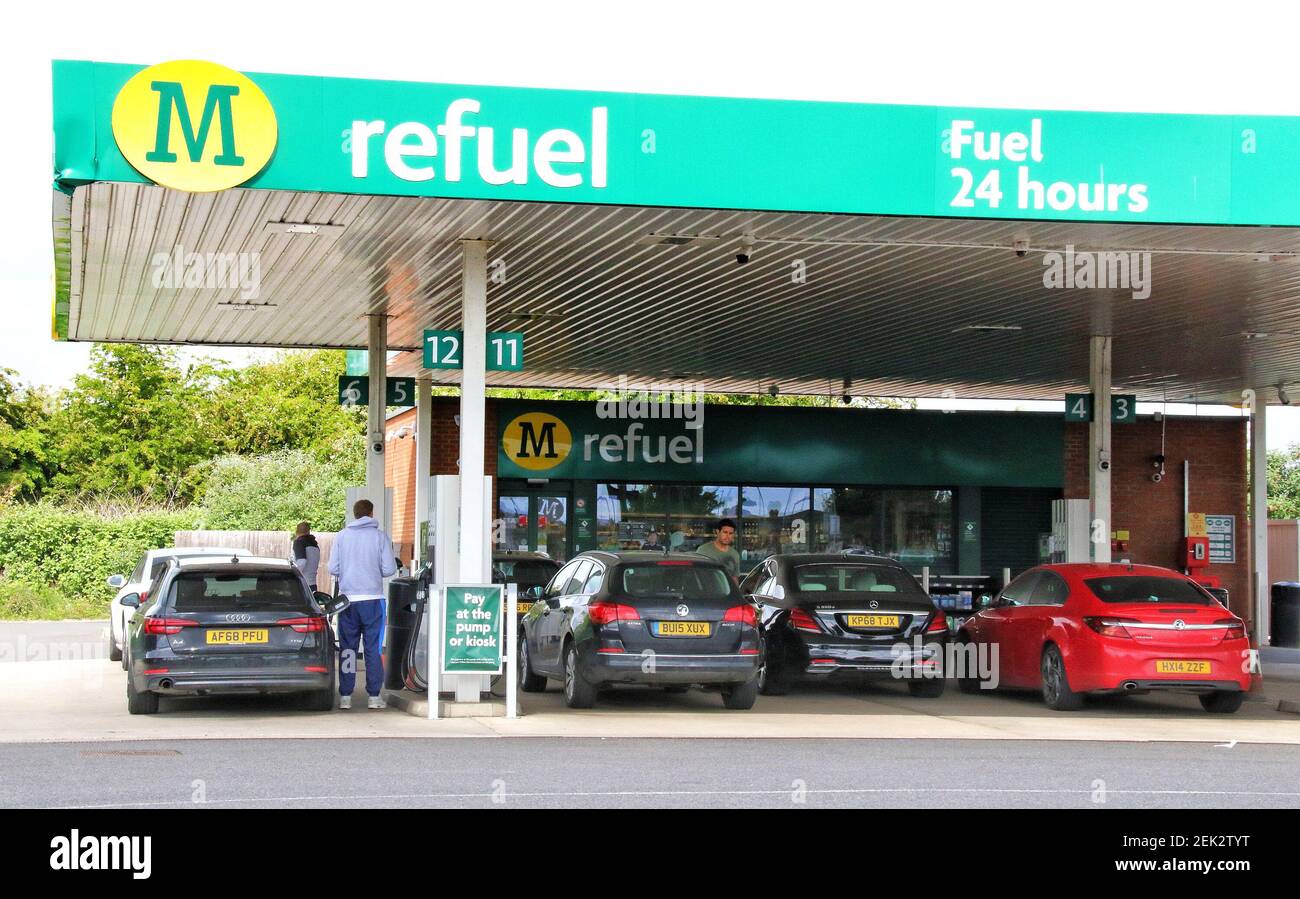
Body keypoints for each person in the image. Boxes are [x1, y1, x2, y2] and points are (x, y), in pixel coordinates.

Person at [328, 499, 398, 710]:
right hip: (373, 600)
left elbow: (333, 568)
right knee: (372, 649)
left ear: (355, 514)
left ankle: (346, 696)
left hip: (348, 601)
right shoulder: (380, 537)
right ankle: (374, 696)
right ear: (371, 512)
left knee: (348, 649)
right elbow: (389, 569)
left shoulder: (341, 536)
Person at [695, 518, 741, 584]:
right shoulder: (703, 550)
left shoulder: (735, 554)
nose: (727, 536)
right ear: (717, 532)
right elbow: (696, 574)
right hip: (705, 591)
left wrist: (736, 593)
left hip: (725, 592)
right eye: (725, 532)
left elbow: (734, 578)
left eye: (730, 533)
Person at [291, 521, 320, 591]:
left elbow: (302, 561)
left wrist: (292, 575)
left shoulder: (299, 542)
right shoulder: (315, 545)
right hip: (312, 584)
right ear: (309, 531)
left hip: (302, 585)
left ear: (297, 532)